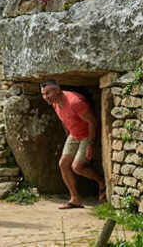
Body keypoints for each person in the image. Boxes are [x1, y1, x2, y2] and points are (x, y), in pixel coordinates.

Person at [39, 79, 106, 209]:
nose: (45, 97)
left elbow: (93, 122)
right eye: (43, 94)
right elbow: (65, 120)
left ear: (57, 90)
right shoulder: (55, 103)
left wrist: (91, 144)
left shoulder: (75, 102)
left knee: (77, 167)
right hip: (74, 135)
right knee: (63, 164)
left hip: (87, 135)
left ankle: (101, 182)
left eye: (48, 93)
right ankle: (75, 199)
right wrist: (68, 136)